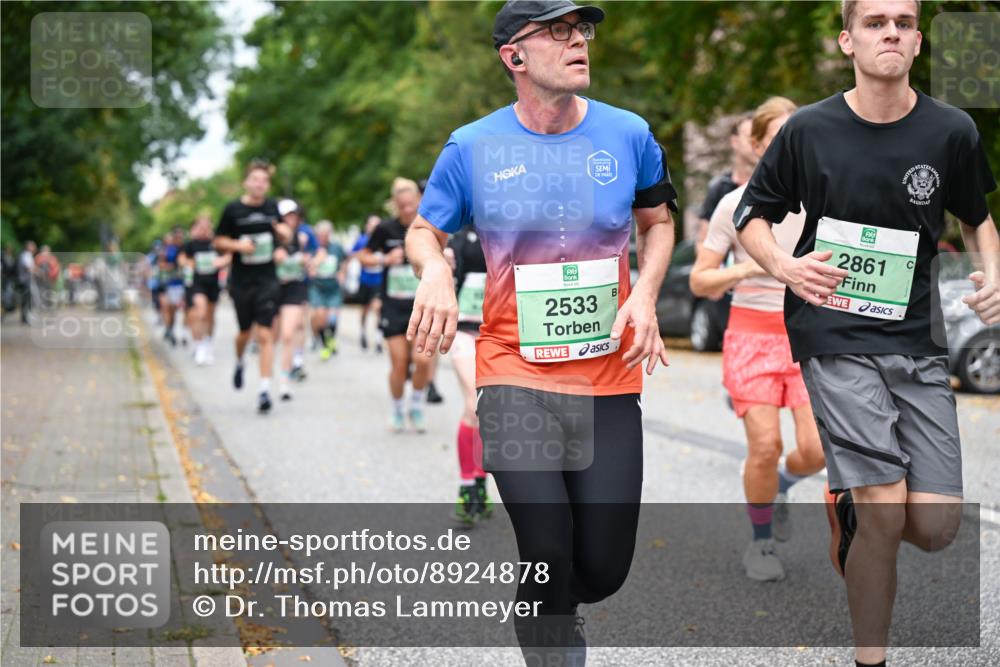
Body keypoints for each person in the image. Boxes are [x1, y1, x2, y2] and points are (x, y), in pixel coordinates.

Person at [405, 1, 677, 663]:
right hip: (513, 375)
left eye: (580, 29)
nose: (577, 41)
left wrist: (644, 292)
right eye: (556, 31)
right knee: (548, 546)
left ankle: (549, 605)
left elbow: (660, 222)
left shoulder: (629, 134)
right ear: (513, 56)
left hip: (607, 377)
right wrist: (434, 270)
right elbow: (423, 229)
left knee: (603, 567)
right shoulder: (472, 147)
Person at [734, 1, 999, 664]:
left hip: (918, 342)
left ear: (916, 41)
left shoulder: (952, 131)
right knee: (884, 511)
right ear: (847, 38)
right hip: (833, 336)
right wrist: (787, 266)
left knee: (936, 527)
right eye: (875, 21)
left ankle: (848, 504)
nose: (891, 32)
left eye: (903, 22)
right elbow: (751, 218)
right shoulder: (809, 131)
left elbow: (977, 218)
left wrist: (993, 273)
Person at [690, 97, 825, 582]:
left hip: (809, 336)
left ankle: (783, 485)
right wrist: (751, 265)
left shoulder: (825, 196)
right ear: (758, 144)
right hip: (751, 335)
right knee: (765, 444)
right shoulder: (735, 203)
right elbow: (700, 281)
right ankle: (761, 542)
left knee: (817, 450)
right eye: (778, 135)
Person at [213, 160, 290, 414]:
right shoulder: (233, 209)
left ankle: (265, 390)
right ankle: (239, 360)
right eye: (255, 179)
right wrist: (238, 247)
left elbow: (286, 236)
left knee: (266, 334)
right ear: (246, 182)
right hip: (242, 282)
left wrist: (282, 235)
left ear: (267, 185)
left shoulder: (272, 207)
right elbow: (219, 241)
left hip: (267, 280)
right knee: (244, 333)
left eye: (264, 180)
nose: (259, 184)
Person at [357, 178, 433, 433]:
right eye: (402, 206)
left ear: (418, 200)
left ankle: (417, 405)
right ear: (395, 206)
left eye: (411, 204)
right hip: (393, 305)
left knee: (422, 361)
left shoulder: (429, 227)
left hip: (422, 305)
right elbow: (364, 256)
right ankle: (398, 409)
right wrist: (384, 258)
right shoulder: (385, 229)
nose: (407, 210)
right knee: (399, 361)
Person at [443, 225, 492, 525]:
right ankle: (466, 486)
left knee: (488, 411)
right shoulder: (461, 237)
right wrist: (444, 264)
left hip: (497, 334)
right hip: (464, 330)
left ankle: (481, 483)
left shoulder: (511, 228)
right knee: (474, 402)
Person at [695, 113, 755, 254]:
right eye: (750, 136)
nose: (756, 142)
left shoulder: (777, 184)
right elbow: (703, 241)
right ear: (734, 142)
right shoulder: (720, 187)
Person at [274, 199, 312, 401]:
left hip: (295, 289)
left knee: (289, 333)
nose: (292, 219)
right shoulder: (271, 238)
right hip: (272, 289)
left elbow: (317, 256)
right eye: (288, 215)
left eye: (295, 215)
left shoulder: (304, 237)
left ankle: (285, 380)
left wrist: (308, 261)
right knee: (272, 336)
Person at [180, 214, 229, 366]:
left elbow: (229, 256)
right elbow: (182, 259)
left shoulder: (216, 243)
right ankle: (199, 345)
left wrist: (222, 261)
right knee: (200, 312)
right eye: (200, 226)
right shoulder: (190, 245)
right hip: (197, 283)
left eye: (206, 226)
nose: (204, 229)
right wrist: (189, 263)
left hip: (213, 283)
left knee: (210, 315)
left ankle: (208, 342)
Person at [308, 220, 347, 360]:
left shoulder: (336, 248)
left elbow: (343, 262)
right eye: (320, 235)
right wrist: (313, 265)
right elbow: (308, 267)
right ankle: (325, 345)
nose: (323, 237)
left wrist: (342, 273)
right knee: (319, 316)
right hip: (318, 287)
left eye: (325, 234)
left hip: (333, 287)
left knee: (332, 318)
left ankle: (331, 340)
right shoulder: (313, 249)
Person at [350, 214, 385, 353]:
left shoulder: (384, 240)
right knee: (364, 309)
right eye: (372, 225)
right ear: (367, 226)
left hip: (379, 280)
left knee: (377, 308)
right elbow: (352, 255)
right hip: (365, 280)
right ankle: (363, 332)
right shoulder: (362, 241)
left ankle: (378, 338)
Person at [17, 240, 36, 324]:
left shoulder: (28, 255)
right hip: (25, 280)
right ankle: (26, 317)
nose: (34, 248)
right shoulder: (26, 255)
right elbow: (28, 267)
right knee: (27, 299)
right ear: (28, 247)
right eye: (33, 246)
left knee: (27, 299)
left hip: (25, 280)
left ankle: (25, 317)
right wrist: (38, 272)